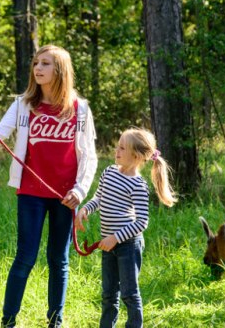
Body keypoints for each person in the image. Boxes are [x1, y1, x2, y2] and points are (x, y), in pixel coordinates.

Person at [0, 44, 98, 328]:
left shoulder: (80, 109)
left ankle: (56, 321)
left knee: (58, 260)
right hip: (30, 193)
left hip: (65, 196)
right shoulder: (23, 104)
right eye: (36, 63)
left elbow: (88, 156)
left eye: (45, 64)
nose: (38, 69)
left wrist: (79, 191)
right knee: (25, 257)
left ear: (60, 70)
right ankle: (8, 321)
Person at [74, 128, 177, 328]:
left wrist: (115, 238)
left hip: (128, 246)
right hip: (109, 246)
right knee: (108, 295)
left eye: (122, 148)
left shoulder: (138, 185)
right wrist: (85, 209)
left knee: (130, 294)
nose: (116, 150)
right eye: (118, 146)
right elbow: (99, 198)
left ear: (136, 156)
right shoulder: (109, 172)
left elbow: (141, 222)